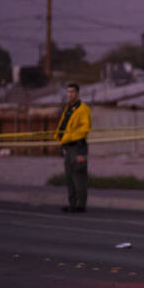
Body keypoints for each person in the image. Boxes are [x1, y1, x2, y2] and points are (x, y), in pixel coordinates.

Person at [55, 83, 92, 213]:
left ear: (77, 93)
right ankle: (72, 203)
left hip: (78, 147)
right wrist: (59, 138)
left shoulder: (83, 109)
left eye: (72, 92)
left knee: (79, 175)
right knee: (69, 176)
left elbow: (85, 128)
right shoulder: (68, 109)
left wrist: (69, 137)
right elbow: (63, 125)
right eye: (68, 92)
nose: (70, 94)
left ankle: (80, 205)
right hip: (68, 147)